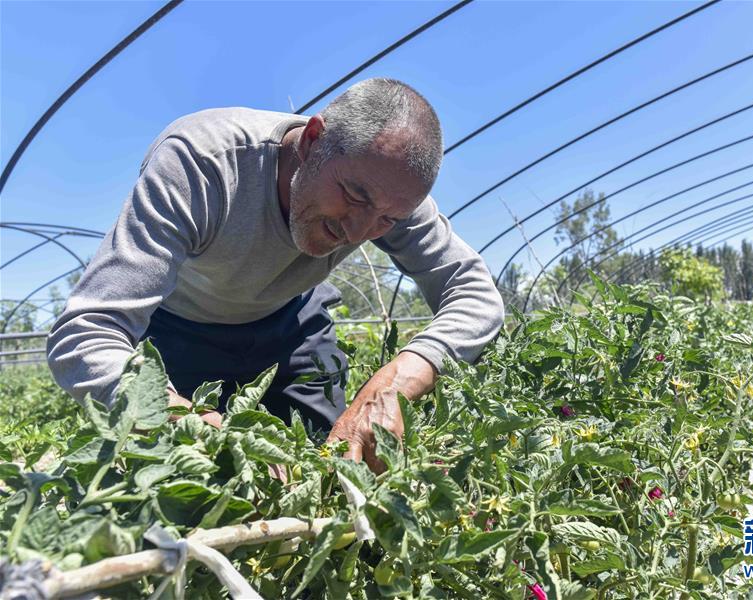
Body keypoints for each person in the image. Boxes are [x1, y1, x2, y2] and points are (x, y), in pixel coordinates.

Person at [47, 78, 505, 473]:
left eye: (388, 219)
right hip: (179, 331)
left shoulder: (389, 191)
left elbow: (474, 293)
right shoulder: (203, 164)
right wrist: (184, 420)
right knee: (191, 485)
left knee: (328, 465)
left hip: (293, 325)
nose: (358, 231)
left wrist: (398, 380)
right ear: (312, 141)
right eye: (353, 196)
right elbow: (87, 333)